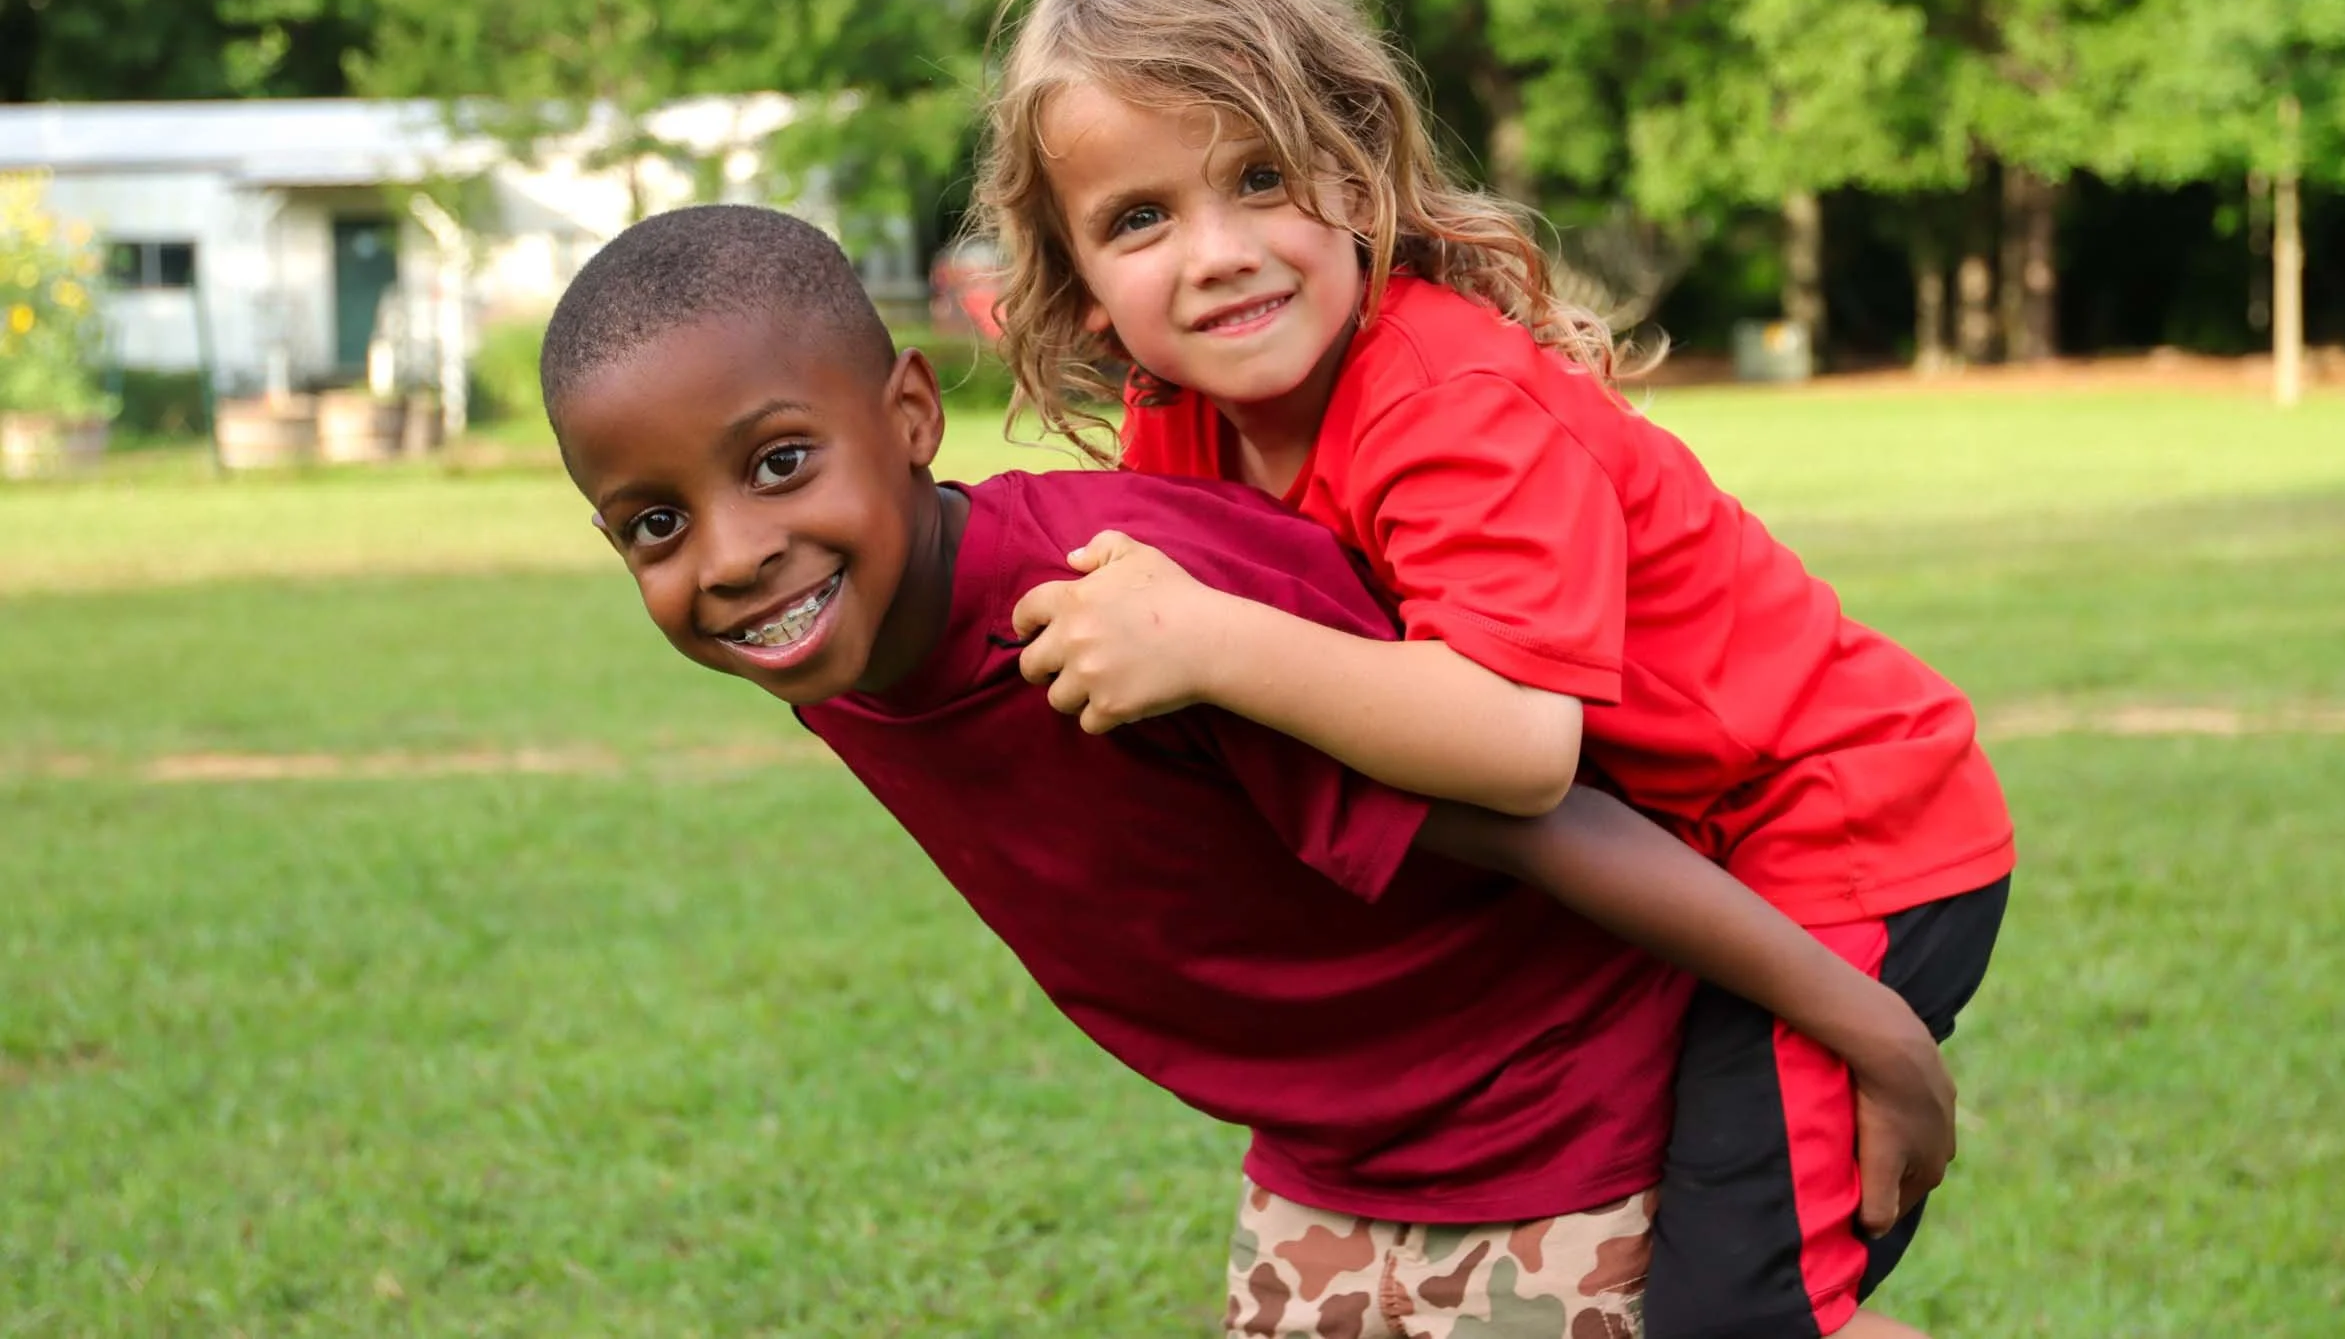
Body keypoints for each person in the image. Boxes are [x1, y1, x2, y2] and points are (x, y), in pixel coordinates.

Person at [541, 204, 1958, 1339]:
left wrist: (1869, 1028)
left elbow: (1535, 816)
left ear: (912, 415)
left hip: (1552, 1116)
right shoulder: (832, 637)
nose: (731, 555)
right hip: (1336, 1150)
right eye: (655, 522)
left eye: (782, 462)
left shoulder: (1126, 606)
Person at [974, 0, 2017, 1339]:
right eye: (1140, 217)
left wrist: (1208, 641)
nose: (1214, 254)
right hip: (1685, 858)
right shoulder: (1184, 426)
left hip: (1848, 832)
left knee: (1731, 1316)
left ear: (1353, 171)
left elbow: (1519, 741)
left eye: (1259, 178)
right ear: (1075, 274)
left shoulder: (1444, 401)